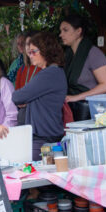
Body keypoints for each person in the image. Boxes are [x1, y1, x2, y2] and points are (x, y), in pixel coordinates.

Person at [12, 32, 67, 160]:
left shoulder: (49, 74)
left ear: (45, 50)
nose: (29, 55)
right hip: (47, 136)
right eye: (29, 52)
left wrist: (28, 98)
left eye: (33, 52)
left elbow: (17, 97)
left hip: (42, 139)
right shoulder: (55, 72)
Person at [60, 15, 106, 120]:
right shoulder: (68, 55)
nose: (61, 34)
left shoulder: (93, 53)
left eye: (65, 30)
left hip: (92, 111)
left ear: (78, 31)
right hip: (73, 108)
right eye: (61, 31)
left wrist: (77, 97)